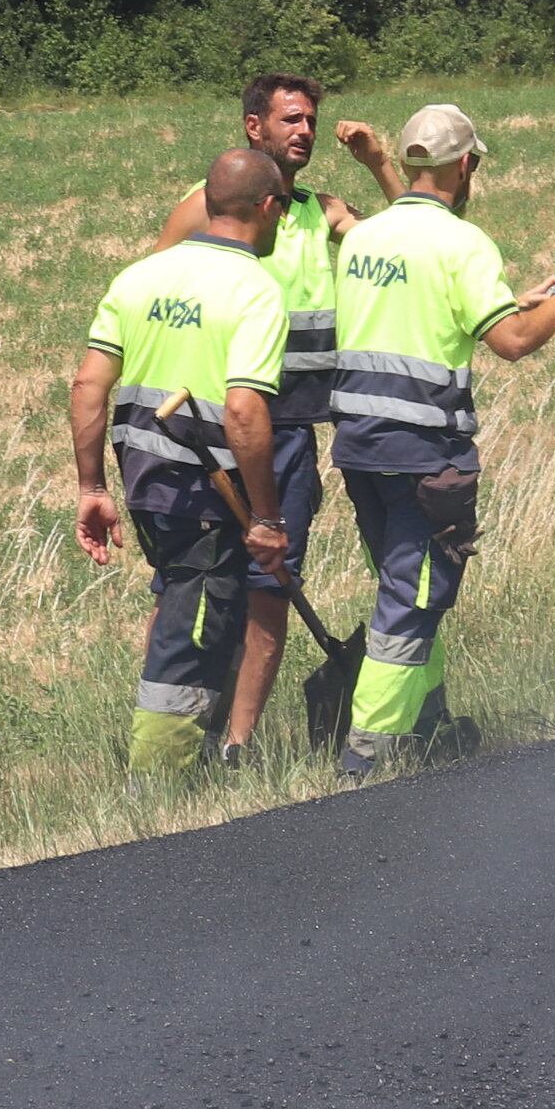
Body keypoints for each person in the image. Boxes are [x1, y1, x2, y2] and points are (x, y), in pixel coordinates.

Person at [327, 104, 555, 777]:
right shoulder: (464, 245)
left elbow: (426, 310)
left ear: (406, 162)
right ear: (464, 166)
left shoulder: (367, 239)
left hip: (361, 448)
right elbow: (511, 344)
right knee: (413, 595)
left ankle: (428, 728)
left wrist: (518, 298)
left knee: (403, 581)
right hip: (426, 453)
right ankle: (364, 758)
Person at [149, 75, 399, 755]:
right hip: (204, 430)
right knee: (190, 584)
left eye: (311, 120)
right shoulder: (205, 207)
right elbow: (156, 293)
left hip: (286, 434)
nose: (306, 131)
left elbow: (409, 243)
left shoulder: (325, 211)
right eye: (291, 118)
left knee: (270, 589)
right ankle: (177, 731)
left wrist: (379, 163)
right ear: (253, 127)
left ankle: (236, 746)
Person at [71, 148, 297, 777]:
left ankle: (186, 758)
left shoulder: (141, 276)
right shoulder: (255, 289)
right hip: (204, 497)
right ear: (269, 207)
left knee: (188, 612)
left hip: (144, 488)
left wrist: (92, 486)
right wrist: (268, 518)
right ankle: (158, 783)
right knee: (191, 636)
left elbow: (88, 386)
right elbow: (246, 413)